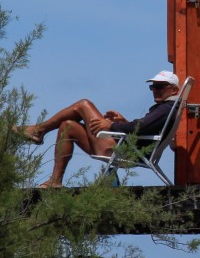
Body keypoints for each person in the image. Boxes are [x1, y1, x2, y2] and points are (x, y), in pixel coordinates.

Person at [15, 70, 182, 188]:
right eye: (153, 87)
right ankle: (55, 180)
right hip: (126, 148)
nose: (155, 90)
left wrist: (112, 125)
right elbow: (143, 128)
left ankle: (38, 130)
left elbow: (141, 127)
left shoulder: (167, 108)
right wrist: (123, 122)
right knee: (68, 126)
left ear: (173, 89)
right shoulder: (166, 109)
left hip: (123, 151)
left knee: (83, 105)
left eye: (160, 87)